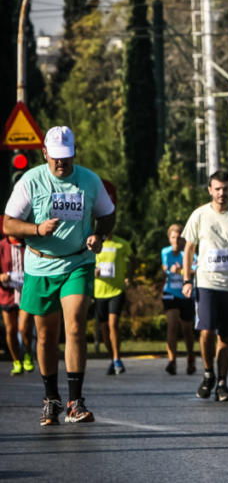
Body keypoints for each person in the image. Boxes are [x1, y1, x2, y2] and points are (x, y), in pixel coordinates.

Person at [3, 126, 116, 425]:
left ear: (74, 153)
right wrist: (37, 230)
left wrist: (99, 235)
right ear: (45, 154)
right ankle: (51, 398)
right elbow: (8, 224)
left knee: (75, 326)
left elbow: (108, 213)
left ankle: (75, 402)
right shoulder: (31, 181)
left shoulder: (89, 181)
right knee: (47, 335)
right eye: (55, 158)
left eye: (66, 157)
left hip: (77, 262)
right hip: (40, 265)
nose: (60, 164)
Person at [182, 170, 228, 403]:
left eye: (225, 189)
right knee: (206, 330)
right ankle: (208, 373)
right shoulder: (199, 215)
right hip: (205, 282)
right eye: (217, 189)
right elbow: (188, 250)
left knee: (226, 336)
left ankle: (222, 382)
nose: (221, 193)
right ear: (210, 190)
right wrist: (186, 279)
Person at [160, 223, 196, 375]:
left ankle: (190, 358)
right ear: (169, 239)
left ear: (183, 239)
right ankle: (172, 360)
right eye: (173, 238)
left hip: (186, 294)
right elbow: (164, 269)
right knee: (172, 325)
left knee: (187, 330)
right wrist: (165, 271)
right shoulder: (165, 252)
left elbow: (195, 270)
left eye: (179, 238)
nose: (176, 241)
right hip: (170, 293)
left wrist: (181, 270)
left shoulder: (189, 253)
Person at [94, 232, 130, 375]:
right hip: (100, 291)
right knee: (104, 329)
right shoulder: (93, 243)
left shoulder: (121, 244)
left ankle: (117, 359)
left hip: (116, 290)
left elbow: (132, 259)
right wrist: (93, 272)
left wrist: (129, 276)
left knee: (113, 324)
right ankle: (113, 357)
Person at [1, 228, 33, 376]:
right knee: (10, 330)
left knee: (24, 328)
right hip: (7, 294)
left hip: (25, 293)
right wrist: (1, 277)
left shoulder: (28, 245)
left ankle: (27, 353)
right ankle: (16, 361)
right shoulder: (2, 246)